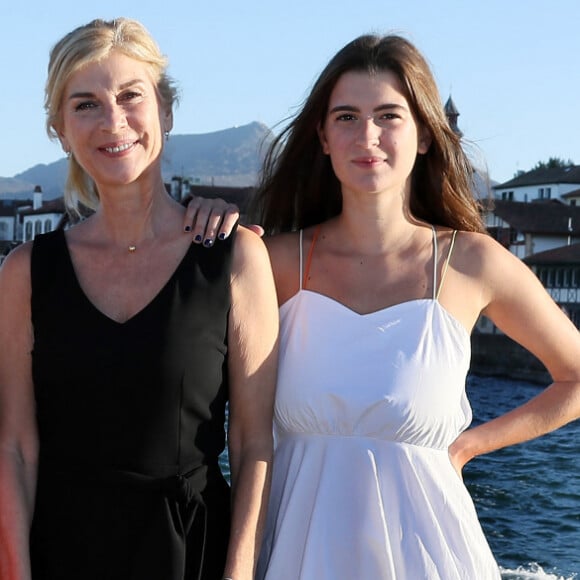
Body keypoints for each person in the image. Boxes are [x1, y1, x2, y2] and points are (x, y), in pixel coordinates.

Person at [187, 34, 580, 579]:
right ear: (322, 137)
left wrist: (468, 446)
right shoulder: (268, 261)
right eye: (346, 117)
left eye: (388, 116)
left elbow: (576, 376)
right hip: (295, 558)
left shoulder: (470, 262)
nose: (366, 136)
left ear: (423, 135)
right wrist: (198, 216)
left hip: (434, 558)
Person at [0, 18, 279, 580]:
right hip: (61, 551)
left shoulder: (235, 259)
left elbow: (253, 444)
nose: (112, 121)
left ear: (166, 112)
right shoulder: (27, 272)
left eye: (131, 96)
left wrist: (240, 573)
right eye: (85, 104)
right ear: (59, 128)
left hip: (192, 554)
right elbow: (15, 448)